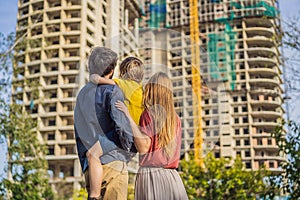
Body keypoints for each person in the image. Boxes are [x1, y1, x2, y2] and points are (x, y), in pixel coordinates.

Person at [74, 46, 136, 200]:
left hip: (91, 169)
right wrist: (129, 149)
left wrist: (86, 162)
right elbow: (123, 129)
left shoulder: (82, 94)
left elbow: (79, 132)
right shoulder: (112, 91)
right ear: (112, 70)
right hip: (113, 164)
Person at [115, 72, 188, 200]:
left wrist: (128, 117)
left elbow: (144, 148)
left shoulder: (148, 115)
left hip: (151, 177)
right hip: (172, 178)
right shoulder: (176, 119)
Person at [90, 56, 144, 125]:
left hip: (130, 128)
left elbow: (97, 80)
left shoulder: (125, 84)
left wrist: (93, 76)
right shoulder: (141, 88)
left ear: (123, 72)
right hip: (140, 128)